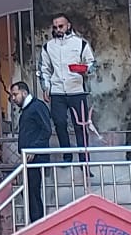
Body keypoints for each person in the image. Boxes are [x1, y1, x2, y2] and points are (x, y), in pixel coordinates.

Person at [37, 15, 95, 161]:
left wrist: (83, 69)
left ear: (68, 25)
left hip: (77, 90)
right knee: (59, 123)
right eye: (55, 27)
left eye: (60, 26)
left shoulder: (80, 44)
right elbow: (44, 69)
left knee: (81, 125)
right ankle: (67, 155)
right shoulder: (48, 46)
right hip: (57, 91)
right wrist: (46, 87)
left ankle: (84, 159)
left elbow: (92, 64)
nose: (58, 30)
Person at [9, 82, 55, 221]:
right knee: (30, 192)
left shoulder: (37, 107)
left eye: (15, 94)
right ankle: (35, 221)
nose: (13, 98)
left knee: (33, 192)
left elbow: (46, 130)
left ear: (24, 93)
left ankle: (37, 222)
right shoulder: (28, 109)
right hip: (29, 158)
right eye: (12, 95)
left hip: (37, 159)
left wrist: (34, 149)